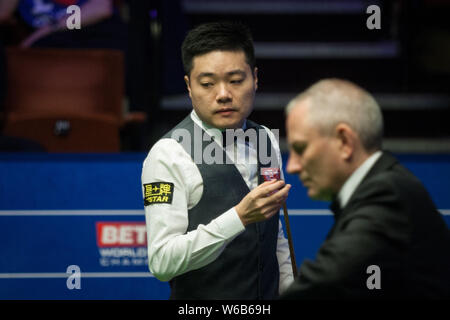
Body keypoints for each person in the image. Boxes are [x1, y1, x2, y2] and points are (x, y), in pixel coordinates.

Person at [141, 21, 293, 300]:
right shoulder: (168, 154)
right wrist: (238, 217)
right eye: (208, 84)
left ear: (255, 78)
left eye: (236, 81)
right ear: (189, 86)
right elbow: (162, 262)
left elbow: (275, 239)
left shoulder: (265, 139)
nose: (223, 94)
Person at [282, 78, 450, 299]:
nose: (291, 166)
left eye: (301, 149)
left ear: (344, 142)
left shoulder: (388, 197)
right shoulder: (383, 188)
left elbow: (319, 289)